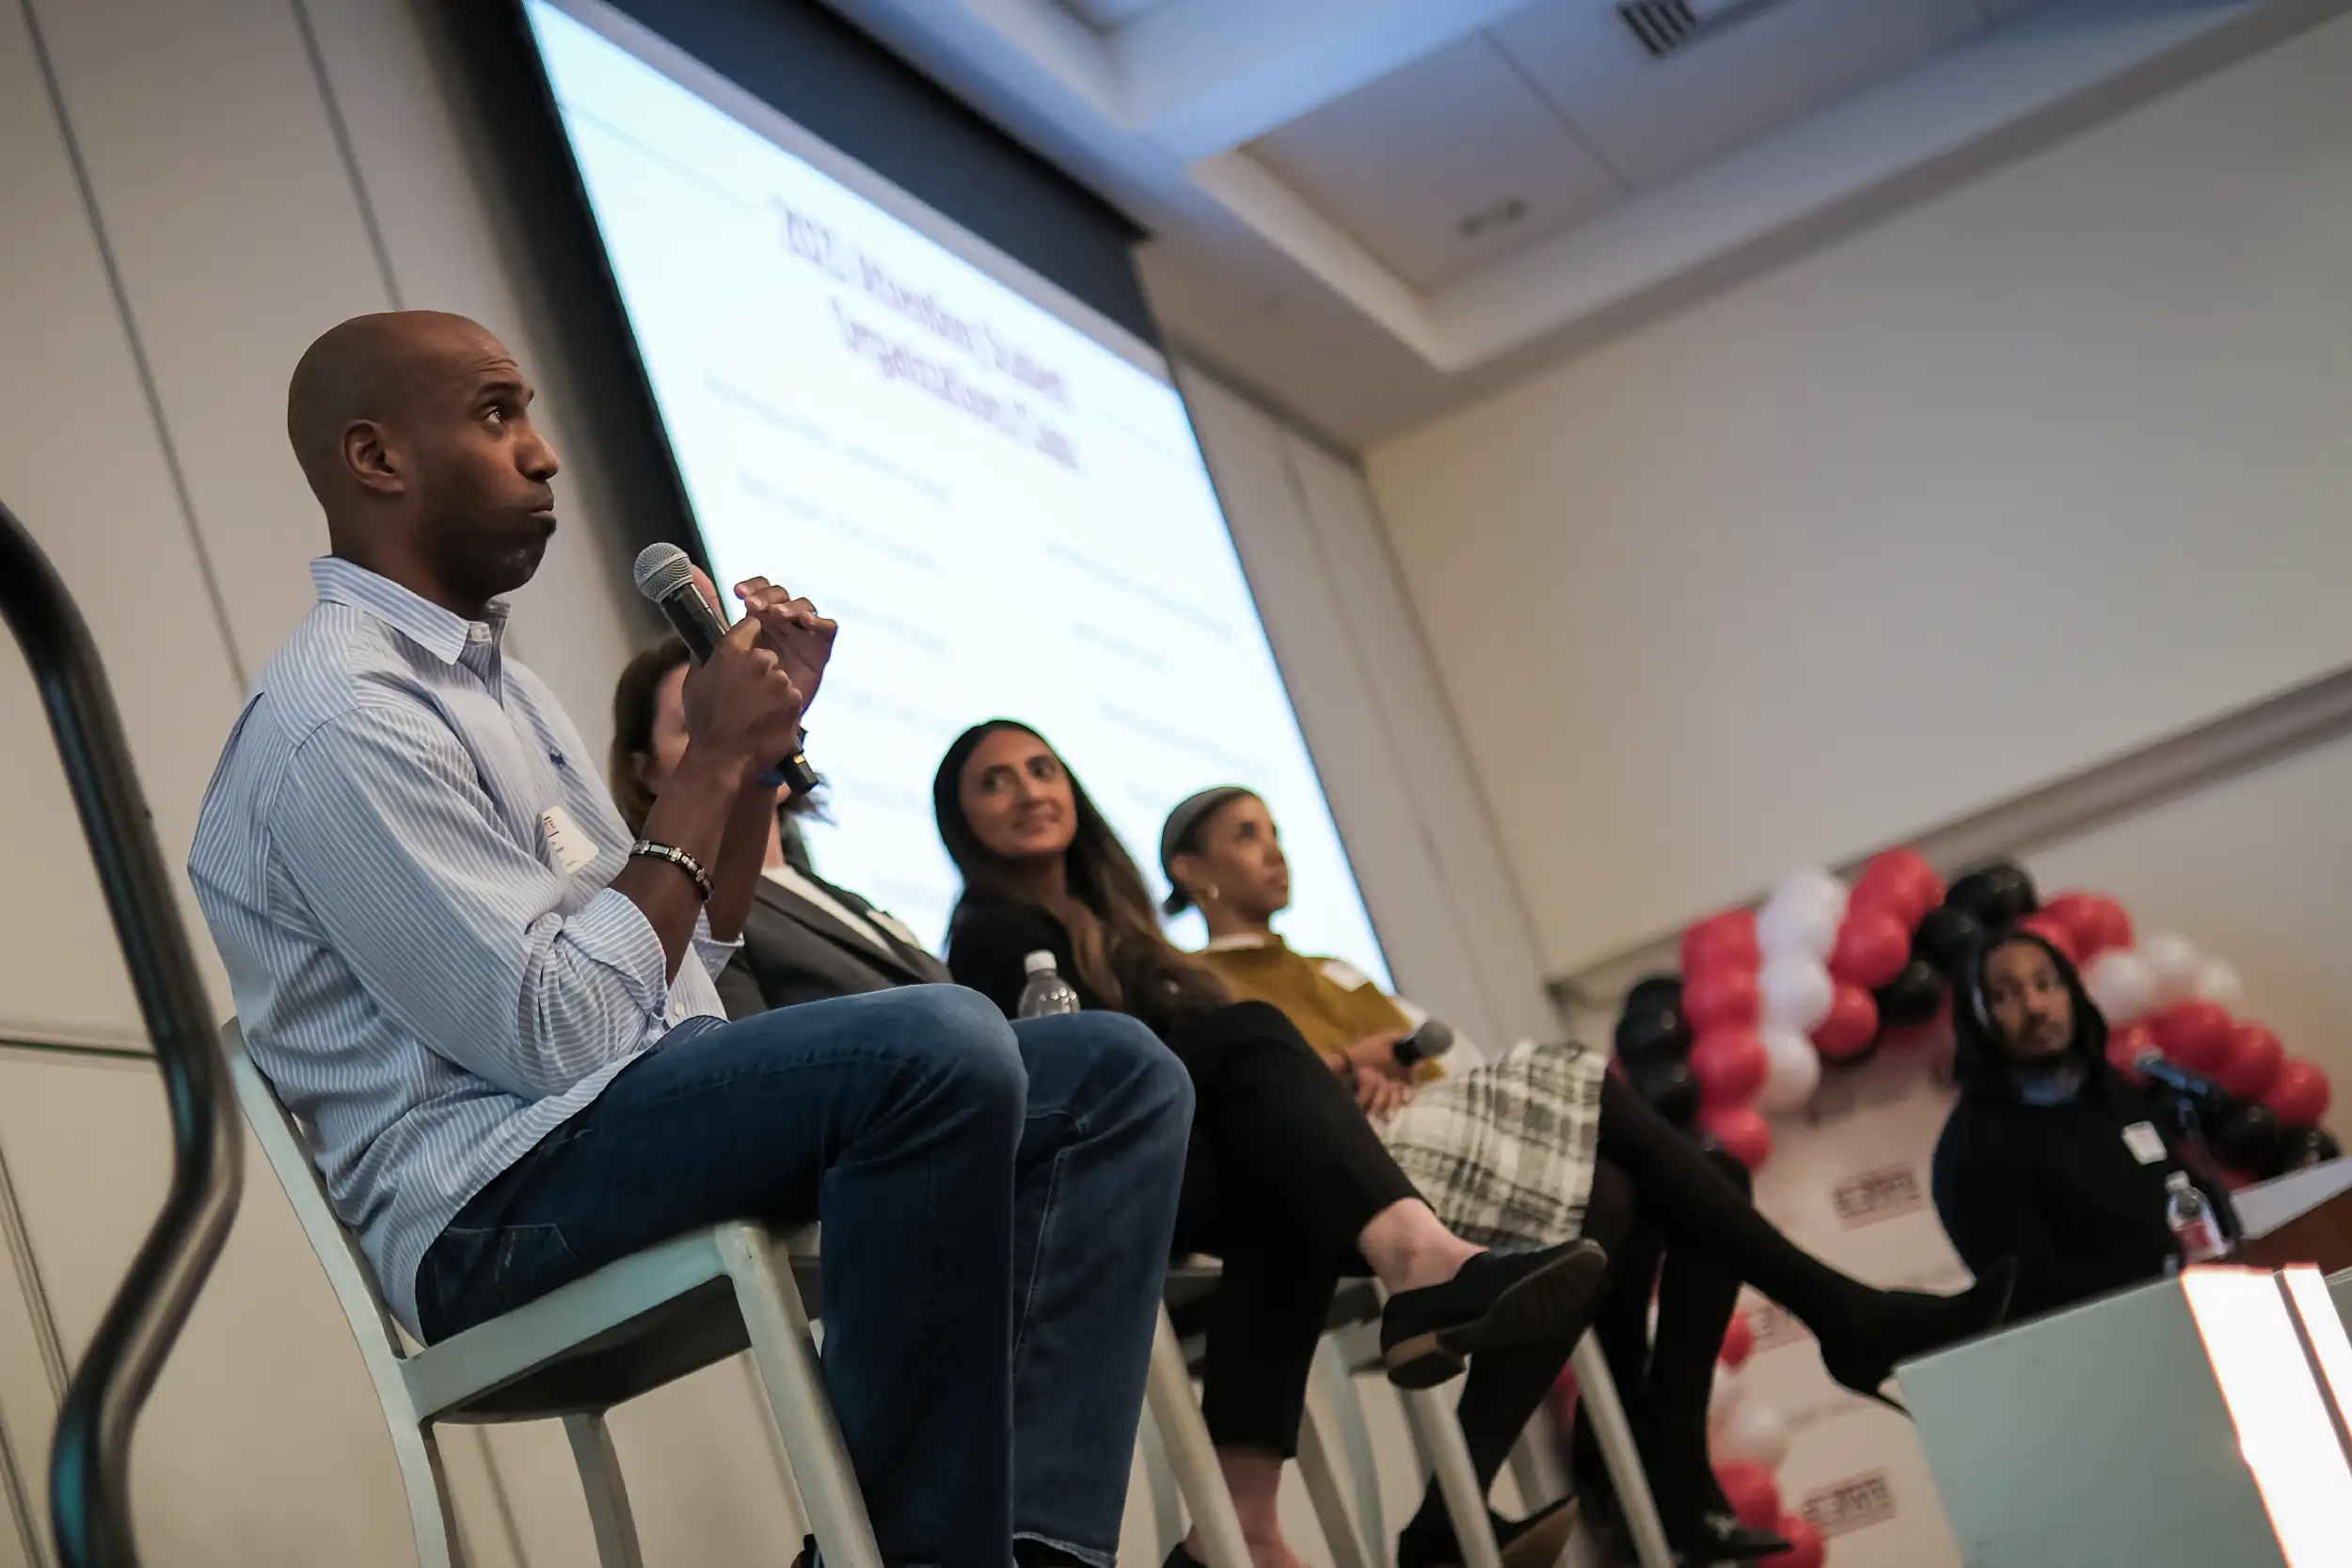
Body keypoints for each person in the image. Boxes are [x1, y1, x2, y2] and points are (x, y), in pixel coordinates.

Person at [186, 311, 1196, 1568]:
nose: (546, 454)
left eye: (536, 415)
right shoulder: (340, 719)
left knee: (1115, 1076)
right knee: (936, 1047)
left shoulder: (498, 686)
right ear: (376, 458)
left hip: (602, 1120)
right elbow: (556, 1035)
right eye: (498, 416)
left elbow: (679, 962)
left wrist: (757, 765)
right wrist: (706, 754)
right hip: (488, 1205)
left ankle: (1034, 1549)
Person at [1162, 785, 2024, 1566]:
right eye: (1246, 836)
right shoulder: (1201, 983)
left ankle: (1553, 1495)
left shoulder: (1335, 970)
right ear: (1189, 869)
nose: (1274, 850)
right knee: (1594, 1116)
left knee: (1675, 1175)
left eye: (1276, 831)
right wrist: (1350, 1068)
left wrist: (1397, 1069)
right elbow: (1261, 1096)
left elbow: (1448, 1063)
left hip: (1444, 1142)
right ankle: (1798, 1356)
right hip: (1359, 1180)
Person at [933, 721, 1613, 1568]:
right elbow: (1076, 1088)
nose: (1030, 791)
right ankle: (1421, 1261)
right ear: (962, 824)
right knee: (1251, 1036)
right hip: (1095, 1181)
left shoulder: (1126, 927)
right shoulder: (993, 933)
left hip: (1175, 1169)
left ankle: (1238, 1531)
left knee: (1282, 1189)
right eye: (996, 783)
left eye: (1042, 769)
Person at [610, 636, 947, 1014]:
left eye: (754, 711)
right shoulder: (692, 918)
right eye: (706, 724)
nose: (747, 731)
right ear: (648, 773)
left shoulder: (835, 895)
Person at [1933, 928, 2241, 1322]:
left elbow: (2189, 1192)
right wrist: (2159, 1265)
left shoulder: (2116, 1094)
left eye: (2046, 984)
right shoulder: (1972, 1147)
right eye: (2004, 996)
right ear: (1976, 1020)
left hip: (2210, 1312)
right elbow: (2032, 1291)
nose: (2035, 1007)